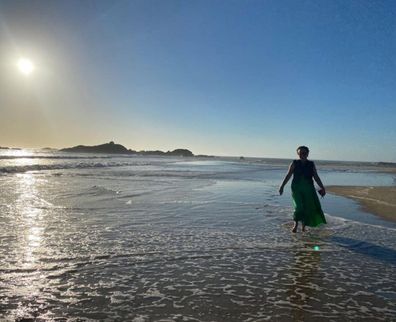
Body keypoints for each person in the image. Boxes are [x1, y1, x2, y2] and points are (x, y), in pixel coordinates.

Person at [279, 146, 327, 232]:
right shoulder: (294, 163)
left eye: (304, 153)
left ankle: (304, 227)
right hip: (296, 188)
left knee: (307, 207)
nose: (302, 155)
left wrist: (322, 187)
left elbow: (316, 177)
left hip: (309, 188)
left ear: (307, 154)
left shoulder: (311, 164)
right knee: (298, 207)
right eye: (300, 153)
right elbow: (288, 175)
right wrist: (282, 186)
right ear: (298, 154)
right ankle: (296, 224)